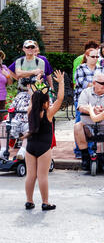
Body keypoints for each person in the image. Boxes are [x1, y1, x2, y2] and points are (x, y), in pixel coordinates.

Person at [24, 70, 65, 211]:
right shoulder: (48, 113)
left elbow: (34, 97)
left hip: (30, 147)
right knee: (42, 176)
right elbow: (60, 99)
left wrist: (37, 84)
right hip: (44, 148)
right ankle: (45, 202)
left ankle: (29, 201)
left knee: (31, 175)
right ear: (46, 102)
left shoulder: (30, 110)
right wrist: (61, 83)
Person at [74, 72, 104, 170]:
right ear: (94, 83)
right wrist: (92, 110)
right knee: (77, 126)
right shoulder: (86, 92)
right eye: (102, 83)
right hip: (89, 125)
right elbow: (81, 106)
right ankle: (85, 157)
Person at [0, 51, 13, 119]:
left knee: (1, 119)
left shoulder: (4, 68)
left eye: (1, 57)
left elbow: (10, 83)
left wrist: (7, 75)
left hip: (2, 97)